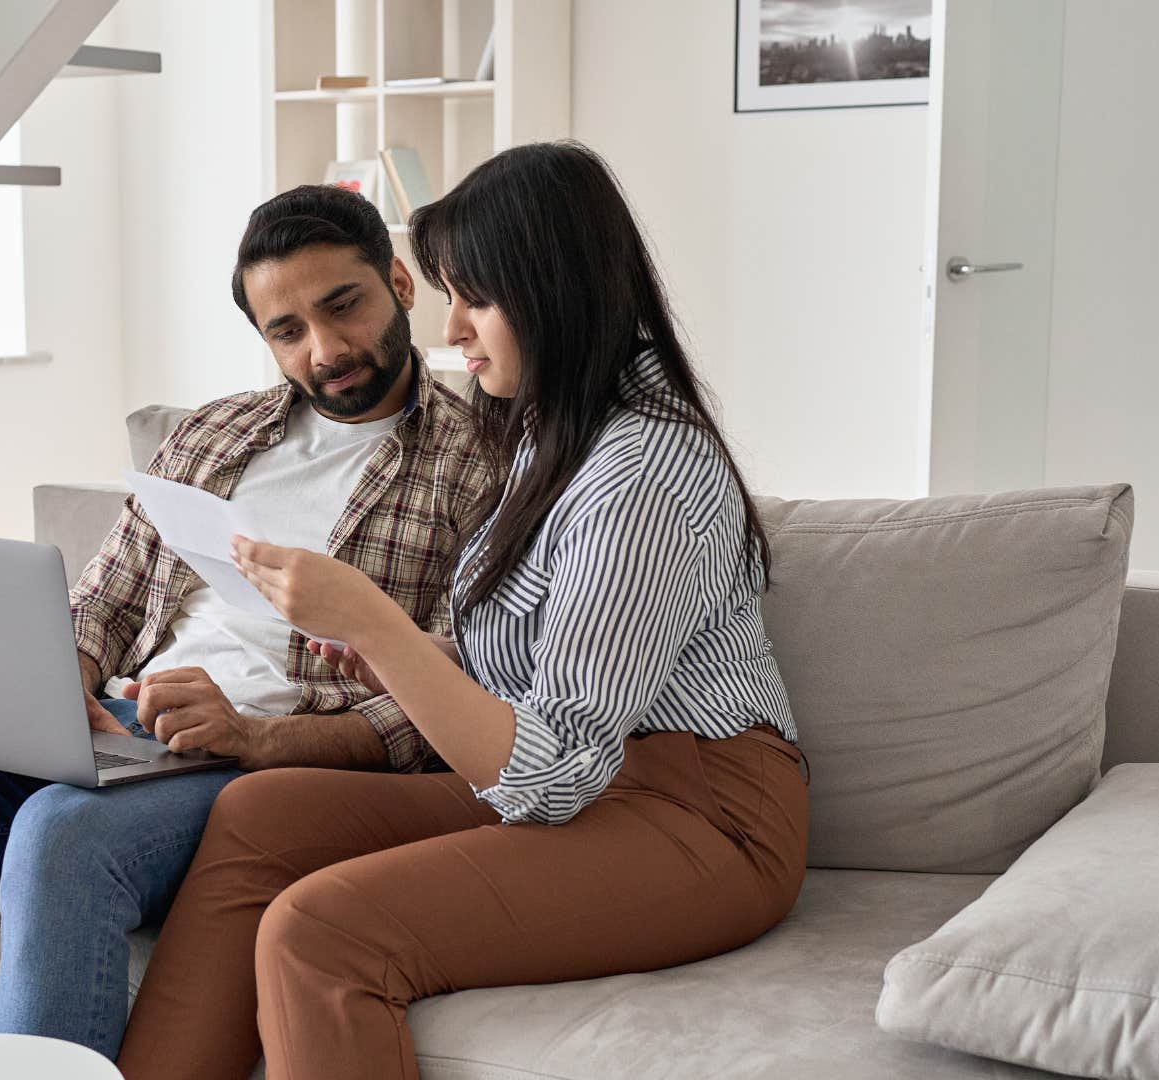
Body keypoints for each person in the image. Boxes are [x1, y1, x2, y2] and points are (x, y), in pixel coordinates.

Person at [0, 184, 496, 1061]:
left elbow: (445, 704)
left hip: (255, 767)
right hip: (117, 733)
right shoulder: (213, 434)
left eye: (343, 306)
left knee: (60, 835)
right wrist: (56, 679)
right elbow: (102, 604)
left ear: (399, 284)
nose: (324, 350)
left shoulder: (481, 463)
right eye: (287, 330)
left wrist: (254, 736)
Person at [115, 141, 807, 1080]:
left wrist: (373, 624)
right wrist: (418, 655)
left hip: (700, 816)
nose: (451, 329)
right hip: (609, 781)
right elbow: (549, 662)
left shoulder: (641, 473)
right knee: (260, 812)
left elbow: (554, 774)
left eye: (475, 299)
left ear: (552, 293)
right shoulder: (555, 428)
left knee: (321, 931)